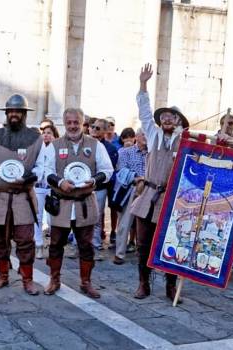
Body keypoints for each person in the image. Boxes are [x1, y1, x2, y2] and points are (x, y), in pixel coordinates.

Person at [35, 108, 114, 297]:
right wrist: (60, 182)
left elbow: (108, 170)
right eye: (69, 122)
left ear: (82, 123)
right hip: (61, 203)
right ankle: (54, 279)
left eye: (76, 122)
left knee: (86, 245)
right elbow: (46, 171)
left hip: (84, 202)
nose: (72, 126)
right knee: (55, 244)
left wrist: (94, 180)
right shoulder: (54, 145)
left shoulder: (96, 145)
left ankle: (85, 282)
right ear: (64, 123)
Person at [129, 63, 189, 302]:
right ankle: (143, 284)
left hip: (171, 199)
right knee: (143, 243)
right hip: (148, 197)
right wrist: (143, 83)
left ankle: (170, 287)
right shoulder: (153, 135)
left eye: (171, 116)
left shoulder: (184, 140)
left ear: (178, 121)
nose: (166, 119)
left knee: (171, 243)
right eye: (163, 116)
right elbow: (144, 111)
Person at [0, 94, 43, 296]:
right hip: (0, 197)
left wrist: (29, 177)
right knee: (1, 239)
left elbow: (42, 167)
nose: (14, 114)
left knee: (25, 239)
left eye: (18, 111)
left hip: (23, 195)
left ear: (24, 114)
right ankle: (3, 275)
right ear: (6, 114)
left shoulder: (36, 139)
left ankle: (27, 279)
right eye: (11, 111)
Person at [112, 128, 147, 265]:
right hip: (131, 189)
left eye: (147, 135)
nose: (145, 137)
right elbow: (121, 171)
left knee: (146, 223)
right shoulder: (125, 152)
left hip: (149, 189)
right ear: (136, 137)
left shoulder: (152, 153)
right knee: (125, 222)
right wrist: (137, 178)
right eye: (143, 134)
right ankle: (119, 253)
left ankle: (144, 253)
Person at [88, 118, 118, 260]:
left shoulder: (111, 149)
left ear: (105, 131)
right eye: (92, 126)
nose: (94, 129)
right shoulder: (82, 144)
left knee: (98, 215)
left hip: (99, 187)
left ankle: (95, 242)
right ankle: (79, 241)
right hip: (82, 186)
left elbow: (108, 170)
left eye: (98, 128)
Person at [34, 122, 59, 259]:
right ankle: (38, 244)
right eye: (44, 133)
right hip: (39, 186)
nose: (46, 135)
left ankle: (54, 243)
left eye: (49, 133)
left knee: (52, 217)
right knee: (37, 216)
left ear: (54, 135)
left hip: (53, 187)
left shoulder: (57, 149)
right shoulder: (37, 148)